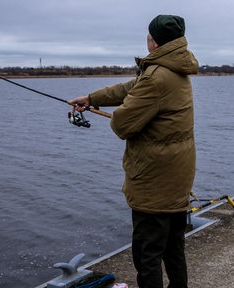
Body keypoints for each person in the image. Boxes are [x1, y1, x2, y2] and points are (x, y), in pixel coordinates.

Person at [69, 14, 198, 288]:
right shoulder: (174, 68)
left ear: (154, 40)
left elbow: (123, 124)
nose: (146, 39)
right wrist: (92, 99)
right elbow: (131, 88)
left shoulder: (156, 77)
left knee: (147, 254)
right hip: (177, 175)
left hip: (153, 181)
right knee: (174, 246)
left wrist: (114, 115)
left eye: (148, 35)